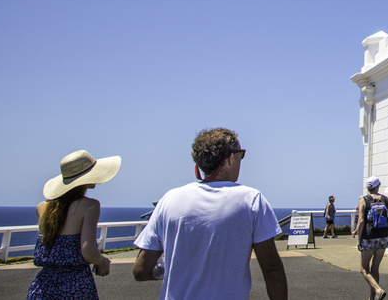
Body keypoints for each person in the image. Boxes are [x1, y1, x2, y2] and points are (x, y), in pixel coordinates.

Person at [132, 128, 287, 300]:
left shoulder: (169, 200)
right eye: (240, 154)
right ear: (229, 158)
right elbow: (272, 270)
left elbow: (140, 270)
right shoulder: (251, 200)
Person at [27, 150, 121, 300]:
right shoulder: (90, 206)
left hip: (42, 286)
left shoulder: (42, 207)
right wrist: (102, 261)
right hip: (75, 285)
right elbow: (88, 251)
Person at [356, 177, 388, 300]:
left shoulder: (363, 200)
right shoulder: (385, 199)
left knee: (364, 269)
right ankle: (373, 298)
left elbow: (361, 221)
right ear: (378, 186)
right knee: (375, 267)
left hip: (369, 237)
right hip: (383, 237)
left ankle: (378, 290)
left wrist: (359, 240)